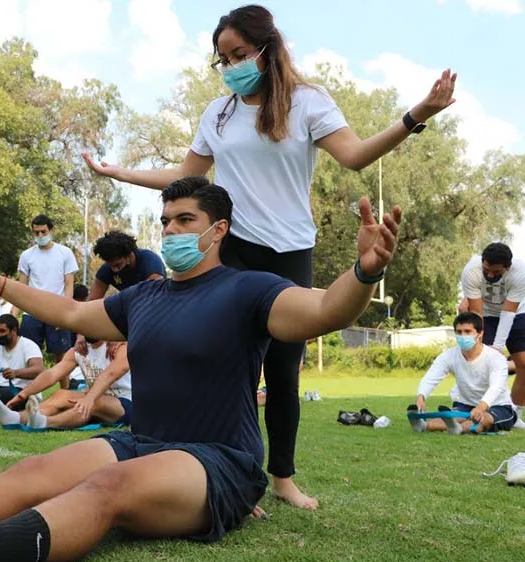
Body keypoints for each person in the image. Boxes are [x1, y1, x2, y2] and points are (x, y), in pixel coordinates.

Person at [0, 176, 401, 562]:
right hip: (143, 443)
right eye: (164, 220)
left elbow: (324, 311)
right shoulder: (144, 296)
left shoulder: (251, 291)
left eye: (185, 220)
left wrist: (364, 271)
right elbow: (67, 311)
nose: (170, 231)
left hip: (218, 460)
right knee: (35, 470)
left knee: (103, 491)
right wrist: (2, 285)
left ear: (217, 231)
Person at [82, 5, 454, 510]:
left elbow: (356, 155)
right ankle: (229, 472)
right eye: (223, 58)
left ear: (267, 48)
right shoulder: (218, 113)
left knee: (283, 372)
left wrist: (418, 116)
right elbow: (185, 175)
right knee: (228, 367)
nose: (231, 65)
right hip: (235, 249)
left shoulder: (307, 102)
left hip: (290, 250)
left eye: (239, 54)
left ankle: (281, 477)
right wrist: (121, 174)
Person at [0, 339, 131, 430]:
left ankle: (46, 422)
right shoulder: (79, 350)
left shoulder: (119, 346)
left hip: (127, 403)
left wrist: (89, 397)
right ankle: (16, 418)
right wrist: (23, 394)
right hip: (94, 397)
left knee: (95, 402)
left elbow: (113, 372)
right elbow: (52, 374)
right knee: (61, 394)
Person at [411, 312, 517, 433]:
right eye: (459, 332)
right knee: (451, 417)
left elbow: (496, 387)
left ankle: (458, 428)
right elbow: (431, 377)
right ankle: (424, 425)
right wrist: (421, 396)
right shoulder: (449, 356)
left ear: (480, 334)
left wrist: (480, 407)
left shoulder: (495, 358)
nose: (463, 336)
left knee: (483, 420)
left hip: (498, 406)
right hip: (465, 404)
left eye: (468, 331)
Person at [460, 242, 525, 405]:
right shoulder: (471, 271)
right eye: (486, 270)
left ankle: (514, 413)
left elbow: (508, 312)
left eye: (496, 272)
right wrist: (479, 343)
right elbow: (476, 312)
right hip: (486, 314)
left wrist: (497, 347)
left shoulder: (520, 273)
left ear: (507, 268)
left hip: (517, 314)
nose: (489, 275)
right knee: (483, 365)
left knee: (524, 364)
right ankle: (486, 409)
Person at [13, 215, 78, 362]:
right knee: (28, 354)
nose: (40, 235)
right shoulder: (26, 255)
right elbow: (21, 287)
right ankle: (29, 385)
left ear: (51, 230)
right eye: (36, 232)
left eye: (43, 232)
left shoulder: (65, 252)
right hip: (31, 312)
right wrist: (14, 314)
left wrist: (65, 312)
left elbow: (69, 284)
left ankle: (64, 385)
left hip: (56, 310)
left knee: (61, 354)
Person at [89, 231, 166, 300]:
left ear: (129, 255)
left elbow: (155, 293)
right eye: (110, 265)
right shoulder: (107, 269)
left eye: (118, 265)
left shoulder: (150, 261)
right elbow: (92, 300)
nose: (114, 270)